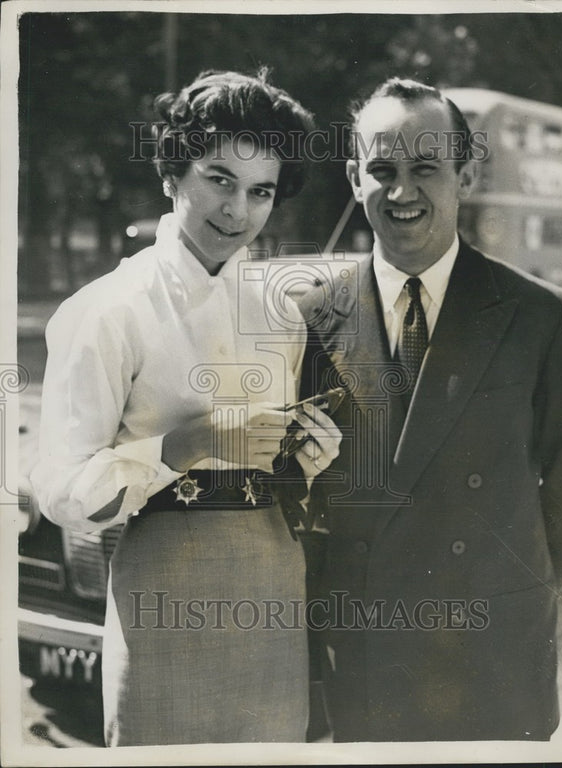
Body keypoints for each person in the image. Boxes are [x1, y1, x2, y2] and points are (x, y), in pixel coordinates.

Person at [31, 69, 341, 746]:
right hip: (163, 596)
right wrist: (186, 444)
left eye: (261, 191)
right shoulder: (107, 310)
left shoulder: (282, 316)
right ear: (173, 173)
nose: (237, 210)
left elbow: (290, 477)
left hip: (272, 596)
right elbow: (58, 490)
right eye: (219, 178)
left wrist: (311, 461)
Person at [297, 78, 562, 741]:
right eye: (382, 170)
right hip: (368, 666)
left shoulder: (544, 317)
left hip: (494, 664)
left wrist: (515, 598)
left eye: (425, 168)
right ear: (353, 178)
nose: (402, 192)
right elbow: (308, 502)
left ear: (466, 172)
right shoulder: (312, 320)